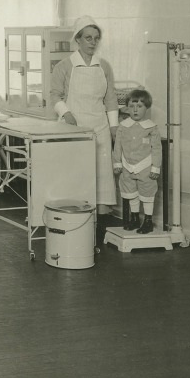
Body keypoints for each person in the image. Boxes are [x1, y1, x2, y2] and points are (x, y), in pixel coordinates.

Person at [53, 15, 119, 225]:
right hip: (74, 129)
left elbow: (110, 99)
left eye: (96, 38)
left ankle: (98, 228)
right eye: (88, 38)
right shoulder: (64, 66)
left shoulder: (104, 66)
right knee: (76, 175)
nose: (93, 42)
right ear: (78, 40)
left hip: (100, 128)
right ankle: (76, 223)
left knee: (101, 178)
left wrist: (114, 127)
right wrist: (66, 113)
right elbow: (55, 95)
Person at [112, 88, 162, 234]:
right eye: (132, 106)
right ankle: (134, 219)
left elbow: (156, 149)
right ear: (127, 108)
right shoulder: (123, 127)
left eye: (139, 106)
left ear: (146, 108)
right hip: (127, 166)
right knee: (131, 192)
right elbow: (118, 147)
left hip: (145, 167)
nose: (135, 110)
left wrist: (155, 168)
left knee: (147, 193)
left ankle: (148, 221)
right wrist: (117, 164)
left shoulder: (151, 128)